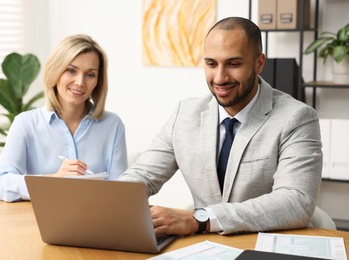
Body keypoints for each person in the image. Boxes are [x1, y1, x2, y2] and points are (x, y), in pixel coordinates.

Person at [119, 17, 322, 235]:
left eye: (233, 64)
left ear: (259, 63)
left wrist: (201, 219)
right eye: (211, 64)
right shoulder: (184, 114)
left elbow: (296, 201)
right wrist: (108, 201)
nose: (220, 78)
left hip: (265, 246)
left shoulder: (298, 117)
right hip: (203, 249)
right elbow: (142, 176)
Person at [0, 34, 128, 202]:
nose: (80, 82)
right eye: (71, 70)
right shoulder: (25, 123)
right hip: (38, 222)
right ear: (56, 71)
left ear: (98, 81)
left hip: (95, 223)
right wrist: (52, 180)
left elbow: (120, 192)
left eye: (90, 74)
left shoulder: (112, 125)